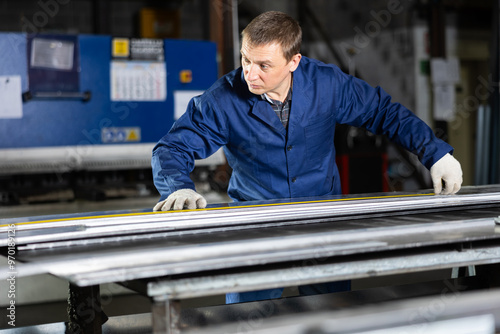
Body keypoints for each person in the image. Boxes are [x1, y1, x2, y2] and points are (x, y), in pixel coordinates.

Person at [151, 11, 463, 303]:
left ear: (294, 61)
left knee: (329, 310)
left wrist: (435, 154)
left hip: (322, 220)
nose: (249, 73)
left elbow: (385, 113)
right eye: (245, 60)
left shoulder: (327, 85)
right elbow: (172, 148)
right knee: (246, 317)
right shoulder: (222, 100)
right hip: (256, 225)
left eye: (263, 65)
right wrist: (177, 186)